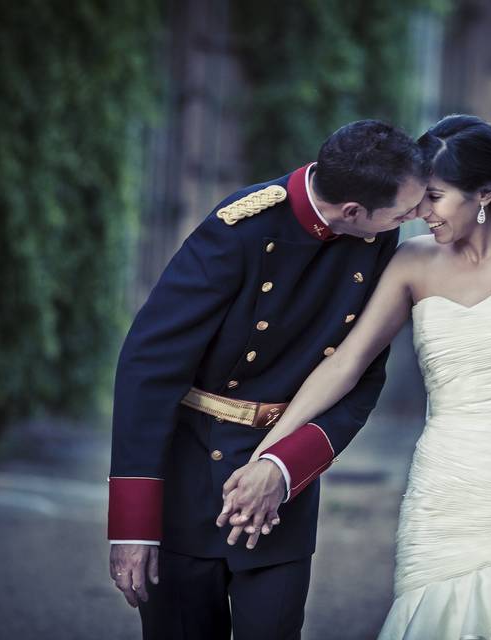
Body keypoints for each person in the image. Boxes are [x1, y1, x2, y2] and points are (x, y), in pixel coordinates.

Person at [221, 114, 491, 638]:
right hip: (444, 486)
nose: (421, 214)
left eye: (436, 198)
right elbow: (346, 363)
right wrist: (272, 448)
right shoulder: (411, 262)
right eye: (420, 198)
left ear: (484, 193)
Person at [107, 120, 429, 639]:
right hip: (190, 477)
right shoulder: (244, 228)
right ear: (352, 212)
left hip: (282, 493)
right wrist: (132, 525)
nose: (416, 217)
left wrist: (282, 469)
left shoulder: (378, 240)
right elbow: (150, 366)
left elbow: (360, 379)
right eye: (405, 210)